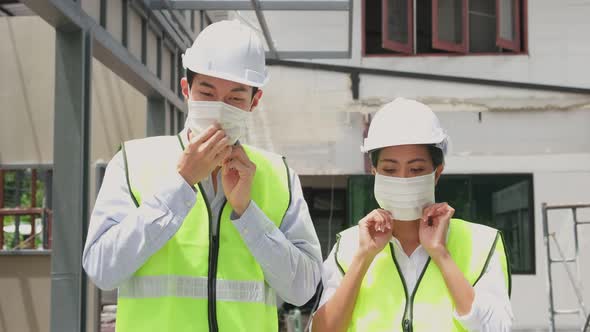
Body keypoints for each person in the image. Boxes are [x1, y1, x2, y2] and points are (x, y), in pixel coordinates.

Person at [83, 20, 322, 332]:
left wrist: (248, 213)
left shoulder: (279, 175)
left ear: (254, 101)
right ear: (187, 90)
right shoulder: (132, 162)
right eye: (207, 93)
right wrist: (180, 185)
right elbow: (102, 269)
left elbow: (303, 289)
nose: (220, 109)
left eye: (235, 98)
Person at [312, 98, 513, 332]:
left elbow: (497, 329)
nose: (403, 179)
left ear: (437, 173)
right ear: (374, 172)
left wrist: (441, 254)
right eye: (389, 170)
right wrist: (363, 257)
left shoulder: (481, 244)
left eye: (416, 169)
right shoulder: (348, 246)